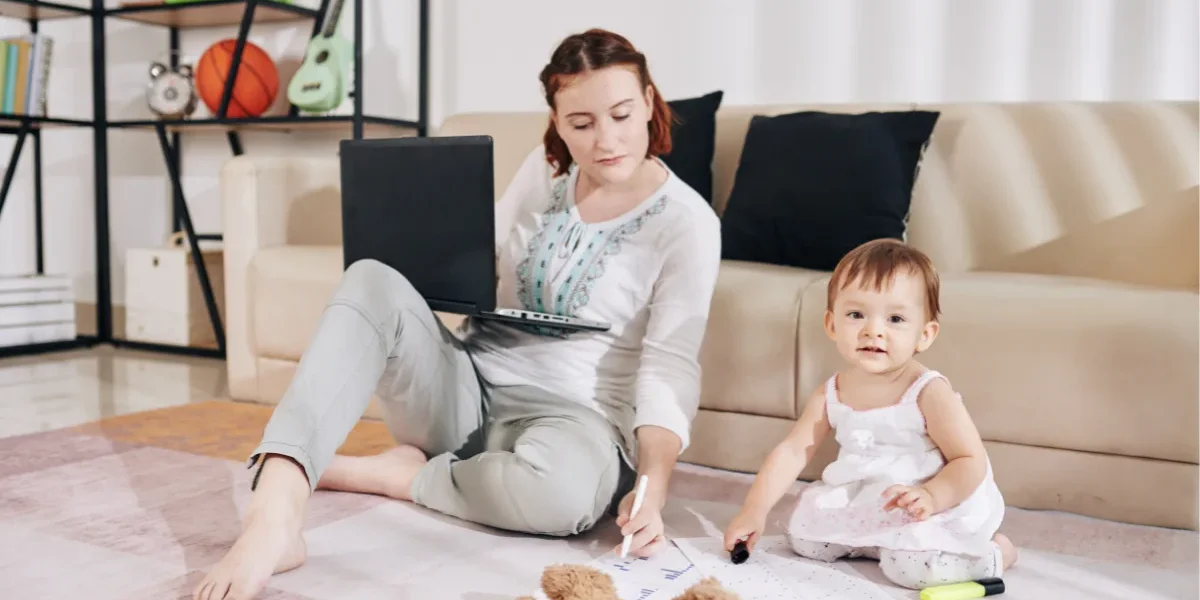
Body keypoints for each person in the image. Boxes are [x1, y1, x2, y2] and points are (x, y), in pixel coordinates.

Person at [194, 28, 722, 600]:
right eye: (581, 124)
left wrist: (652, 486)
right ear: (556, 120)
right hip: (462, 394)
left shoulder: (687, 224)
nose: (606, 140)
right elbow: (479, 254)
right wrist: (426, 245)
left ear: (648, 100)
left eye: (621, 114)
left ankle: (400, 475)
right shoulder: (541, 171)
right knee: (369, 277)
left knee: (566, 498)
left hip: (575, 427)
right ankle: (274, 515)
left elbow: (669, 366)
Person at [722, 238, 1018, 590]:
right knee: (807, 541)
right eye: (856, 314)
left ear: (924, 334)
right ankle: (877, 542)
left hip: (925, 500)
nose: (873, 330)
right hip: (870, 495)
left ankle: (997, 553)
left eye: (895, 319)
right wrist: (754, 510)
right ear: (832, 325)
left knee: (912, 572)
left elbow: (970, 459)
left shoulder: (927, 391)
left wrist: (933, 496)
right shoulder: (831, 391)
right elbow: (793, 451)